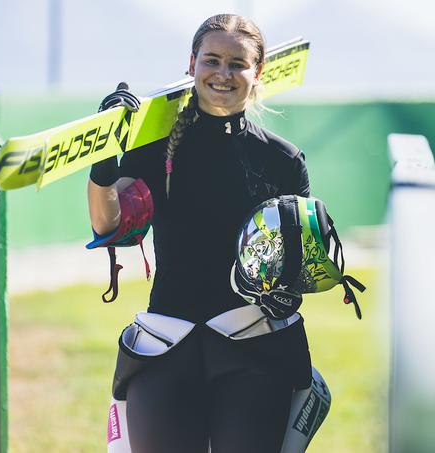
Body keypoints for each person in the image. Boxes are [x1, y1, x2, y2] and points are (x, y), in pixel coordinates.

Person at [87, 14, 314, 453]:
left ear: (258, 71)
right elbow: (108, 224)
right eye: (212, 60)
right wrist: (103, 157)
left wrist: (291, 289)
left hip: (253, 346)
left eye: (237, 63)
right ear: (191, 64)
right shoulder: (155, 149)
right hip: (166, 342)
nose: (223, 74)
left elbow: (300, 267)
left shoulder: (283, 161)